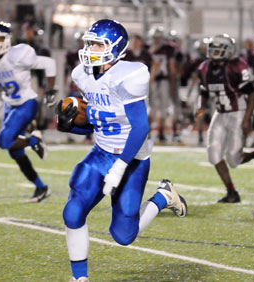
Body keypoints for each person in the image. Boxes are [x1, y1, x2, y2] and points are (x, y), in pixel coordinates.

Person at [55, 19, 187, 282]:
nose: (90, 49)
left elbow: (140, 128)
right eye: (89, 43)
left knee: (124, 236)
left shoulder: (131, 75)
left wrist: (120, 166)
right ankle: (79, 278)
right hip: (101, 152)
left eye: (97, 44)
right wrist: (68, 124)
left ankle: (163, 196)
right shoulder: (82, 74)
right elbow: (94, 125)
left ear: (115, 48)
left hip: (133, 156)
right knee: (73, 211)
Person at [196, 34, 254, 203]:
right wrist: (201, 107)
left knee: (233, 160)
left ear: (228, 51)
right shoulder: (204, 68)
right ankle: (232, 192)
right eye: (212, 49)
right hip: (220, 113)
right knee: (213, 154)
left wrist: (246, 119)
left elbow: (252, 94)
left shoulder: (236, 66)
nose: (214, 52)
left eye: (218, 49)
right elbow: (204, 92)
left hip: (238, 112)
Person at [0, 21, 56, 202]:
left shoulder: (19, 55)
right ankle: (41, 187)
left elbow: (49, 63)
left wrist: (50, 91)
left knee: (4, 141)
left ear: (8, 40)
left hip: (26, 103)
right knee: (15, 152)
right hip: (9, 106)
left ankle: (35, 139)